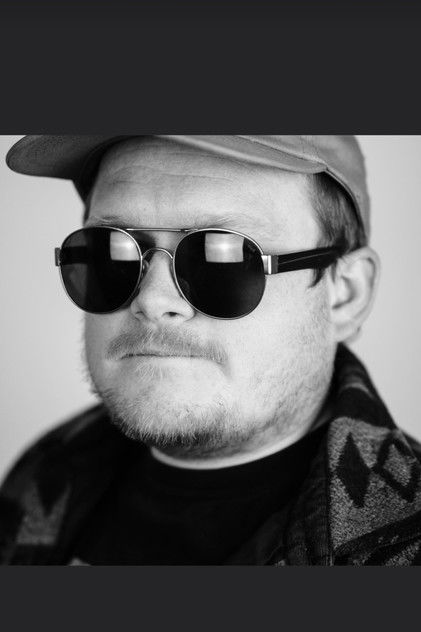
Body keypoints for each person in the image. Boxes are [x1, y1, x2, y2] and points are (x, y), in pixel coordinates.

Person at [1, 135, 420, 566]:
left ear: (345, 294)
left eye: (224, 259)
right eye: (110, 253)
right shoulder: (38, 477)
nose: (153, 300)